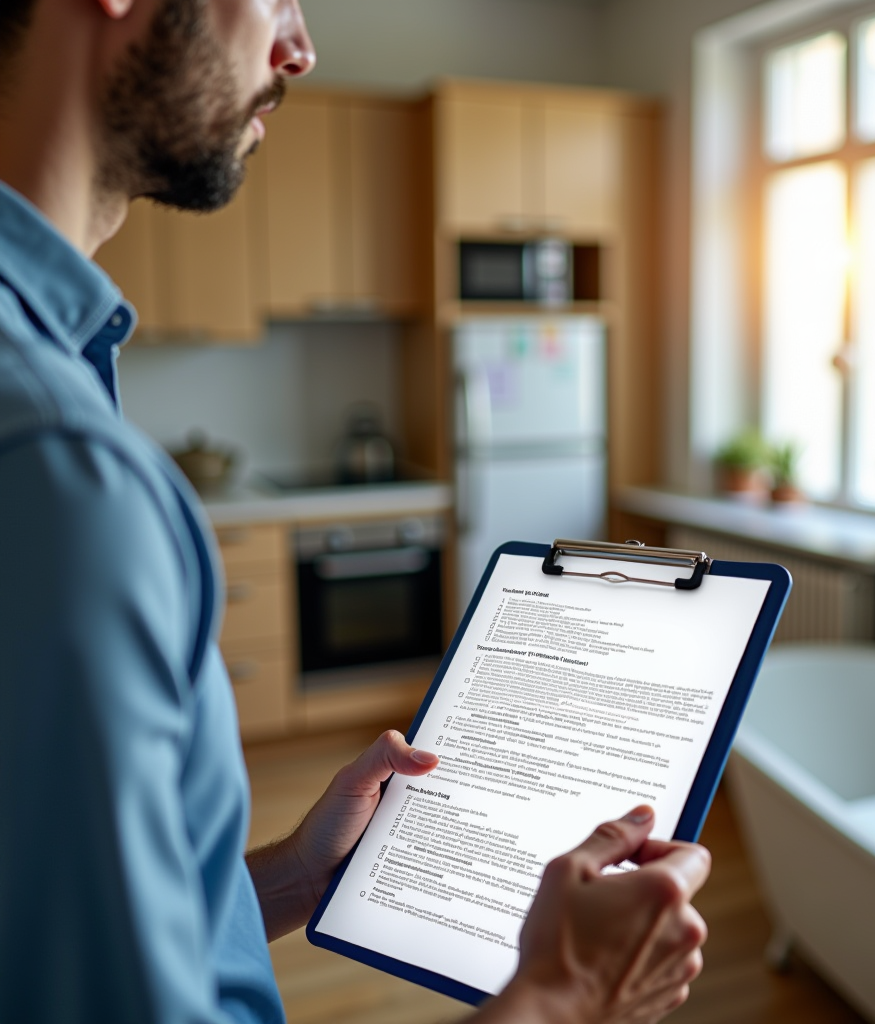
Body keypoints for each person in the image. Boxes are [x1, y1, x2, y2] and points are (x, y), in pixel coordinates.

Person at [0, 0, 712, 1021]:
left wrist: (297, 874)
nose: (300, 47)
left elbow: (66, 946)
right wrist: (568, 996)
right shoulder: (56, 460)